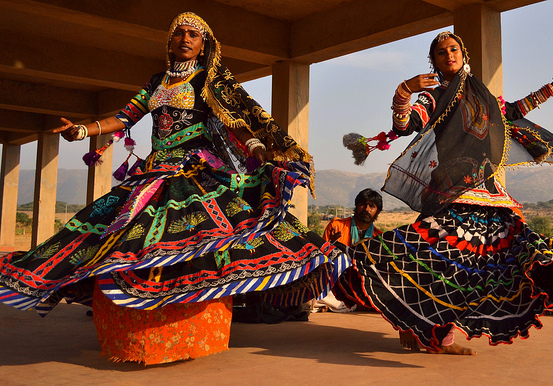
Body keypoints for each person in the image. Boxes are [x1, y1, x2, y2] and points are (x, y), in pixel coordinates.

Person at [0, 12, 349, 365]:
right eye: (179, 33)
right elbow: (124, 117)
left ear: (204, 45)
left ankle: (185, 329)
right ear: (170, 42)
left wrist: (256, 145)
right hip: (152, 171)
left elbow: (234, 120)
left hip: (194, 172)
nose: (185, 39)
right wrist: (82, 130)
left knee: (204, 238)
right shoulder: (156, 82)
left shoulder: (207, 81)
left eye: (193, 35)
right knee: (117, 236)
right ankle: (137, 325)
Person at [339, 31, 553, 355]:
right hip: (450, 193)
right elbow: (405, 124)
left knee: (486, 265)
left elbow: (511, 111)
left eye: (454, 49)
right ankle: (413, 324)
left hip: (488, 194)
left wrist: (548, 91)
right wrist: (404, 91)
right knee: (434, 263)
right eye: (441, 52)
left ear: (464, 53)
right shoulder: (434, 96)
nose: (449, 55)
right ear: (435, 62)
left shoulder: (484, 97)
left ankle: (440, 338)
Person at [315, 188, 383, 312]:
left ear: (377, 212)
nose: (366, 209)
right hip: (336, 280)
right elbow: (320, 258)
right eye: (363, 204)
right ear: (356, 207)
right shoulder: (336, 226)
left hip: (362, 283)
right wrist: (331, 245)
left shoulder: (379, 237)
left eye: (371, 206)